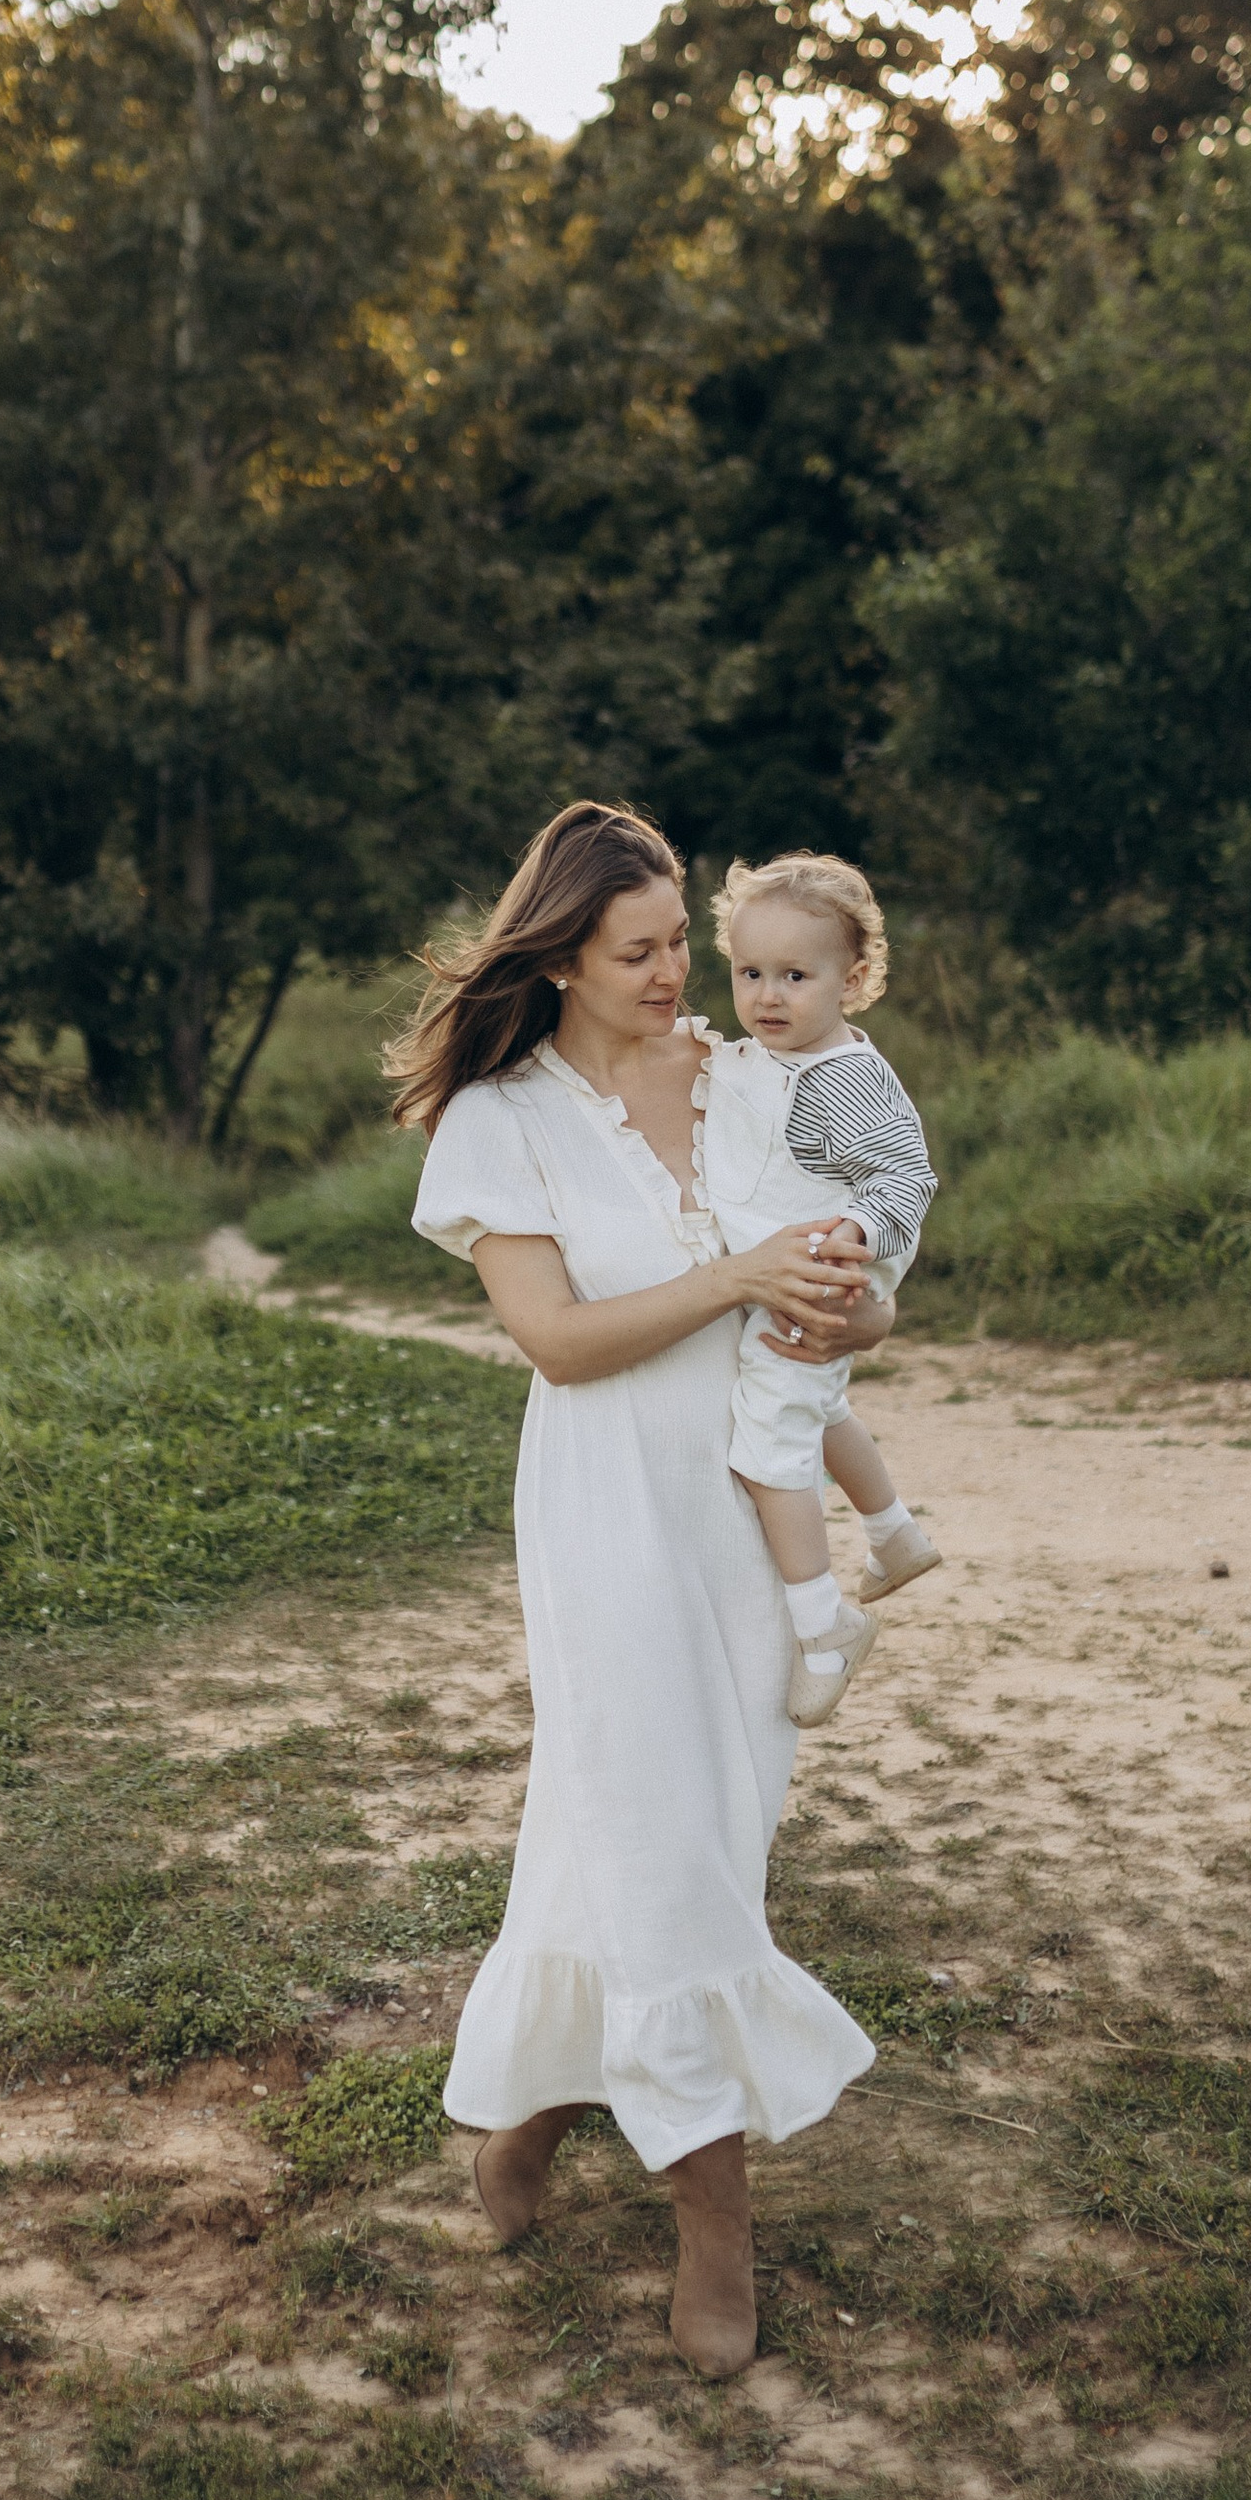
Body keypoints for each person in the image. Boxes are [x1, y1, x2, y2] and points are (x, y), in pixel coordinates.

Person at [392, 799, 879, 2379]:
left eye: (685, 941)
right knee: (660, 1828)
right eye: (642, 950)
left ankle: (527, 2122)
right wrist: (738, 1278)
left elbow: (834, 1287)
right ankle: (713, 2229)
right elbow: (558, 1341)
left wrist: (836, 1308)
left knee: (674, 1827)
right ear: (564, 956)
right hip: (605, 1501)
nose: (681, 973)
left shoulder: (750, 1080)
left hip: (743, 1500)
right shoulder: (501, 1117)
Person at [703, 851, 943, 1730]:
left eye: (796, 976)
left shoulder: (838, 1079)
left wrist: (851, 1242)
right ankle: (894, 1534)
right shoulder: (776, 1056)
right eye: (750, 973)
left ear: (855, 978)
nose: (769, 997)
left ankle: (825, 1626)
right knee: (821, 1407)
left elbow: (906, 1180)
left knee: (768, 1450)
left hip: (820, 1275)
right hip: (802, 1271)